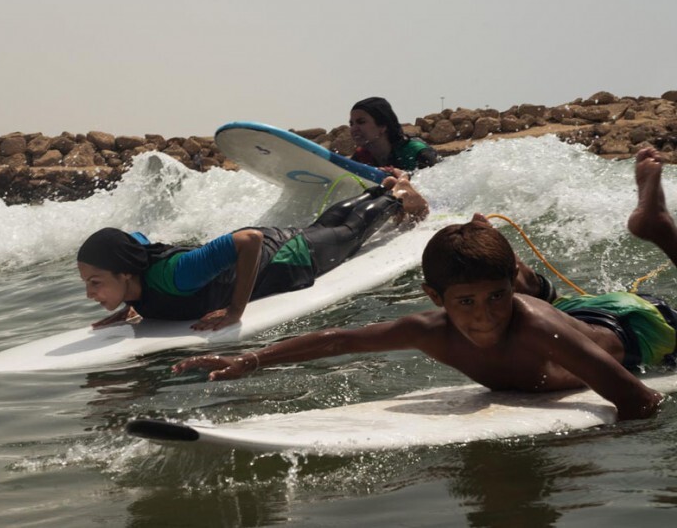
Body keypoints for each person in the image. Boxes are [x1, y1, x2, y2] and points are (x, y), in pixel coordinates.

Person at [174, 147, 677, 421]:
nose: (483, 316)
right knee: (519, 294)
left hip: (639, 327)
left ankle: (658, 230)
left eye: (494, 298)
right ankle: (508, 268)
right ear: (434, 298)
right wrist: (249, 360)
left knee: (540, 310)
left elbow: (641, 401)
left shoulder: (537, 331)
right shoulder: (430, 329)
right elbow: (340, 339)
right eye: (466, 303)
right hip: (577, 310)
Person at [78, 171, 429, 331]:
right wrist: (130, 304)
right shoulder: (132, 275)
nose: (90, 293)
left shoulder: (178, 274)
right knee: (325, 228)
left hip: (285, 256)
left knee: (349, 234)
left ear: (125, 274)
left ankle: (397, 196)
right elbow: (134, 240)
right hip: (278, 241)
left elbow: (249, 241)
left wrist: (234, 310)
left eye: (95, 282)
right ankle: (380, 186)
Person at [349, 97, 439, 172]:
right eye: (351, 124)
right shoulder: (360, 157)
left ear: (383, 126)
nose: (353, 129)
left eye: (361, 122)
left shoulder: (416, 151)